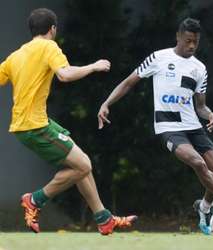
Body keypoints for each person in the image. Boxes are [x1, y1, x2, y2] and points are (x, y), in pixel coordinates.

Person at [98, 17, 213, 235]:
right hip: (168, 127)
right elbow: (128, 83)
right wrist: (106, 103)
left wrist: (210, 115)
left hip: (192, 126)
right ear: (178, 37)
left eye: (196, 42)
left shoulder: (199, 68)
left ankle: (204, 208)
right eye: (188, 40)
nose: (191, 46)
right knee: (198, 162)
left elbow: (200, 106)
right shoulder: (158, 58)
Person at [0, 8, 137, 234]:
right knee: (84, 165)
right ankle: (34, 200)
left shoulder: (17, 55)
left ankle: (104, 219)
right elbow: (64, 74)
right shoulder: (48, 46)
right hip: (35, 126)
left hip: (29, 124)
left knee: (80, 165)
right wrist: (93, 66)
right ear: (52, 29)